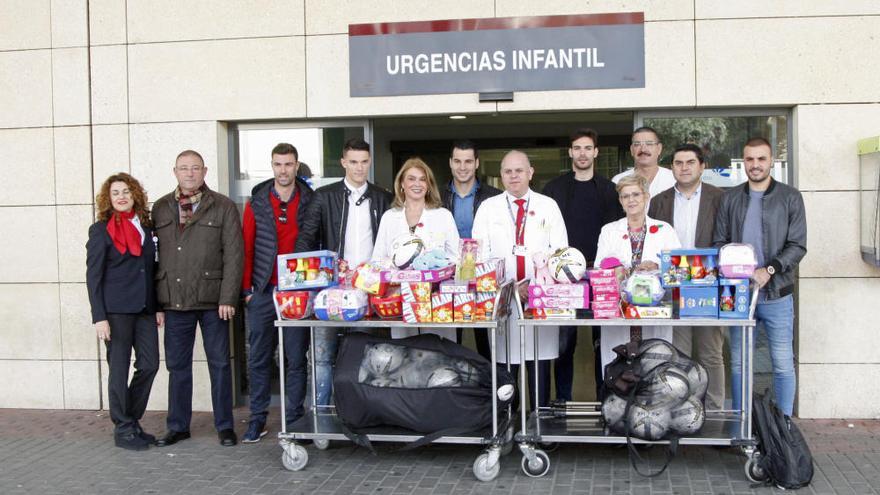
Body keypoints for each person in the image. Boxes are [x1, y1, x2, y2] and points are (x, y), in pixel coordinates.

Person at [151, 150, 243, 447]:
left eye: (195, 168)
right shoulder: (161, 208)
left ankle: (225, 426)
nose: (189, 174)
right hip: (174, 301)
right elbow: (151, 259)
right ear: (174, 171)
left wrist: (228, 297)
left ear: (204, 171)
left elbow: (234, 255)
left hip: (214, 301)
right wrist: (156, 303)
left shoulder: (224, 206)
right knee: (177, 367)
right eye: (183, 169)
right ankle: (178, 426)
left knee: (220, 364)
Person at [295, 138, 392, 411]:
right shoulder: (323, 196)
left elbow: (389, 245)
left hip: (368, 290)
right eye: (353, 162)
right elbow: (305, 241)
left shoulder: (381, 197)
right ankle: (320, 413)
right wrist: (309, 282)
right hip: (330, 291)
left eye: (363, 162)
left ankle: (359, 413)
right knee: (322, 355)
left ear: (369, 162)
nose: (359, 168)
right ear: (343, 163)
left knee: (365, 357)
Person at [713, 137, 806, 417]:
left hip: (777, 294)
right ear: (744, 161)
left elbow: (798, 245)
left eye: (761, 159)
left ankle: (783, 425)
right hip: (740, 296)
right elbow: (719, 243)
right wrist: (736, 272)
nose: (755, 165)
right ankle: (743, 423)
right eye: (750, 159)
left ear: (771, 162)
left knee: (781, 363)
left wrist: (770, 269)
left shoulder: (790, 197)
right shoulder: (730, 198)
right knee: (740, 364)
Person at [472, 150, 568, 410]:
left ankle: (539, 424)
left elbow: (560, 252)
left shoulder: (548, 205)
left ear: (530, 172)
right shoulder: (488, 208)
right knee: (505, 366)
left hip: (539, 299)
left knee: (539, 362)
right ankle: (507, 424)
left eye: (519, 170)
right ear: (501, 175)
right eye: (507, 171)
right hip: (504, 299)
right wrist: (511, 287)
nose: (513, 176)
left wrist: (534, 287)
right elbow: (480, 255)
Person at [240, 143, 314, 443]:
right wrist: (247, 290)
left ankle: (295, 419)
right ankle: (257, 418)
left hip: (297, 292)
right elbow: (246, 247)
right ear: (272, 166)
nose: (283, 170)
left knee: (296, 359)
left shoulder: (310, 200)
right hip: (263, 290)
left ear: (297, 165)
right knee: (259, 358)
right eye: (278, 164)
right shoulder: (257, 202)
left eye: (289, 164)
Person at [543, 128, 624, 403]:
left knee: (603, 345)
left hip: (599, 276)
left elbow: (616, 233)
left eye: (587, 148)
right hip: (563, 278)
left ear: (595, 152)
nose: (582, 153)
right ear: (570, 153)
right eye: (577, 148)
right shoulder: (554, 190)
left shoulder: (610, 190)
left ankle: (607, 405)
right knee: (564, 344)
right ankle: (561, 404)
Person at [86, 173, 161, 451]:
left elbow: (152, 269)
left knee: (150, 364)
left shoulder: (145, 226)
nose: (121, 196)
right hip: (115, 311)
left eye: (126, 191)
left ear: (135, 195)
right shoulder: (100, 230)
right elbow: (93, 276)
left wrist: (158, 307)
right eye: (116, 192)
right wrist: (99, 317)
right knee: (118, 369)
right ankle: (123, 427)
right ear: (109, 198)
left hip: (143, 309)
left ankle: (130, 419)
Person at [648, 143, 726, 410]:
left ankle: (714, 408)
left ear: (702, 166)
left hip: (707, 285)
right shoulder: (659, 201)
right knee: (679, 353)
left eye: (690, 162)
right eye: (678, 163)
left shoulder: (720, 198)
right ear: (672, 168)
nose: (684, 168)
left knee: (711, 353)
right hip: (673, 288)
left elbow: (725, 240)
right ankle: (683, 408)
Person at [594, 175, 681, 371]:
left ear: (646, 197)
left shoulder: (665, 230)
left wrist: (656, 267)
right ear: (620, 201)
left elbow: (677, 270)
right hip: (619, 311)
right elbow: (600, 267)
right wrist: (616, 269)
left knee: (654, 373)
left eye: (635, 194)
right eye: (625, 196)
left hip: (654, 311)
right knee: (618, 375)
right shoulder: (609, 231)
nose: (631, 200)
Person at [373, 157, 460, 341]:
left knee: (439, 354)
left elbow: (456, 258)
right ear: (401, 183)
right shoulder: (390, 217)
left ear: (429, 185)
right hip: (400, 299)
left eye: (422, 179)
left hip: (437, 300)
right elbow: (378, 259)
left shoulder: (443, 216)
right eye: (411, 178)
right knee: (405, 358)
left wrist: (433, 266)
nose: (417, 184)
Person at [441, 139, 501, 359]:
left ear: (476, 163)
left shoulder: (494, 197)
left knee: (488, 342)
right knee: (449, 342)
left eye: (468, 161)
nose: (462, 167)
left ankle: (491, 391)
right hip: (447, 278)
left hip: (484, 277)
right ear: (450, 163)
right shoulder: (437, 197)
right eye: (457, 161)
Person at [612, 126, 676, 208]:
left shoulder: (673, 180)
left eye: (649, 144)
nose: (643, 149)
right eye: (637, 144)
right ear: (631, 150)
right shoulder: (618, 181)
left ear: (659, 148)